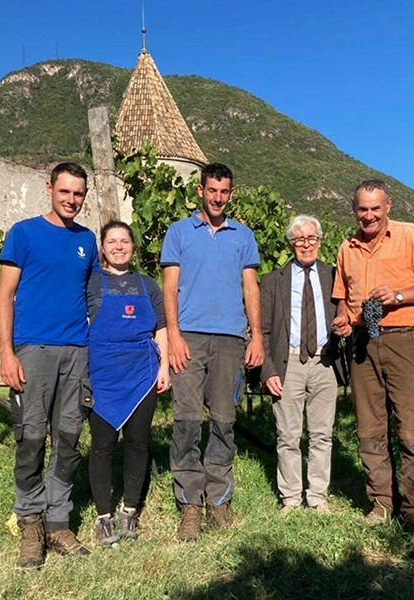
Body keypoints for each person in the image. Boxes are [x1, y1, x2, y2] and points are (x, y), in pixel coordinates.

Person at [0, 162, 99, 569]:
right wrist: (6, 352)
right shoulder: (23, 234)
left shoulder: (87, 240)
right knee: (32, 438)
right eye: (65, 192)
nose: (72, 200)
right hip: (33, 350)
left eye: (78, 194)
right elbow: (4, 296)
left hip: (77, 351)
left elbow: (93, 297)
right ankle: (30, 522)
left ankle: (58, 522)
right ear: (49, 189)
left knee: (69, 438)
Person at [331, 179, 414, 549]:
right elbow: (344, 302)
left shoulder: (412, 236)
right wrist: (345, 321)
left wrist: (397, 295)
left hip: (405, 341)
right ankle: (381, 503)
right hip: (363, 343)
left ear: (388, 205)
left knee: (410, 428)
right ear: (354, 210)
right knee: (369, 428)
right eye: (362, 209)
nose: (369, 215)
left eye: (375, 208)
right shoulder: (346, 249)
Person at [161, 162, 264, 542]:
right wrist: (173, 335)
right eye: (212, 190)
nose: (218, 197)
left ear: (230, 194)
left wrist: (256, 337)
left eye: (224, 191)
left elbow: (250, 289)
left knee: (223, 421)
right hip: (188, 336)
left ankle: (218, 500)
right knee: (186, 420)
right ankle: (190, 502)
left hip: (230, 340)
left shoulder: (244, 236)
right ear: (200, 191)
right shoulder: (179, 232)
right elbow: (169, 288)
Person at [86, 220, 169, 547]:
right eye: (112, 242)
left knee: (137, 443)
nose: (119, 246)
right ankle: (103, 517)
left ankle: (130, 510)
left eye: (125, 241)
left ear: (133, 247)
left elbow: (161, 326)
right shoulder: (90, 283)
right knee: (101, 446)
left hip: (142, 372)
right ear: (103, 248)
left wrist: (165, 367)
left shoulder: (148, 284)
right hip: (102, 374)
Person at [260, 215, 343, 513]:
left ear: (319, 241)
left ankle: (317, 497)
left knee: (323, 434)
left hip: (325, 362)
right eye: (299, 239)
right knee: (288, 435)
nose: (306, 245)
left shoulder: (334, 276)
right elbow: (264, 331)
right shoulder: (272, 282)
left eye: (311, 239)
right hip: (289, 363)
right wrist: (268, 370)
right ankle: (291, 499)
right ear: (291, 243)